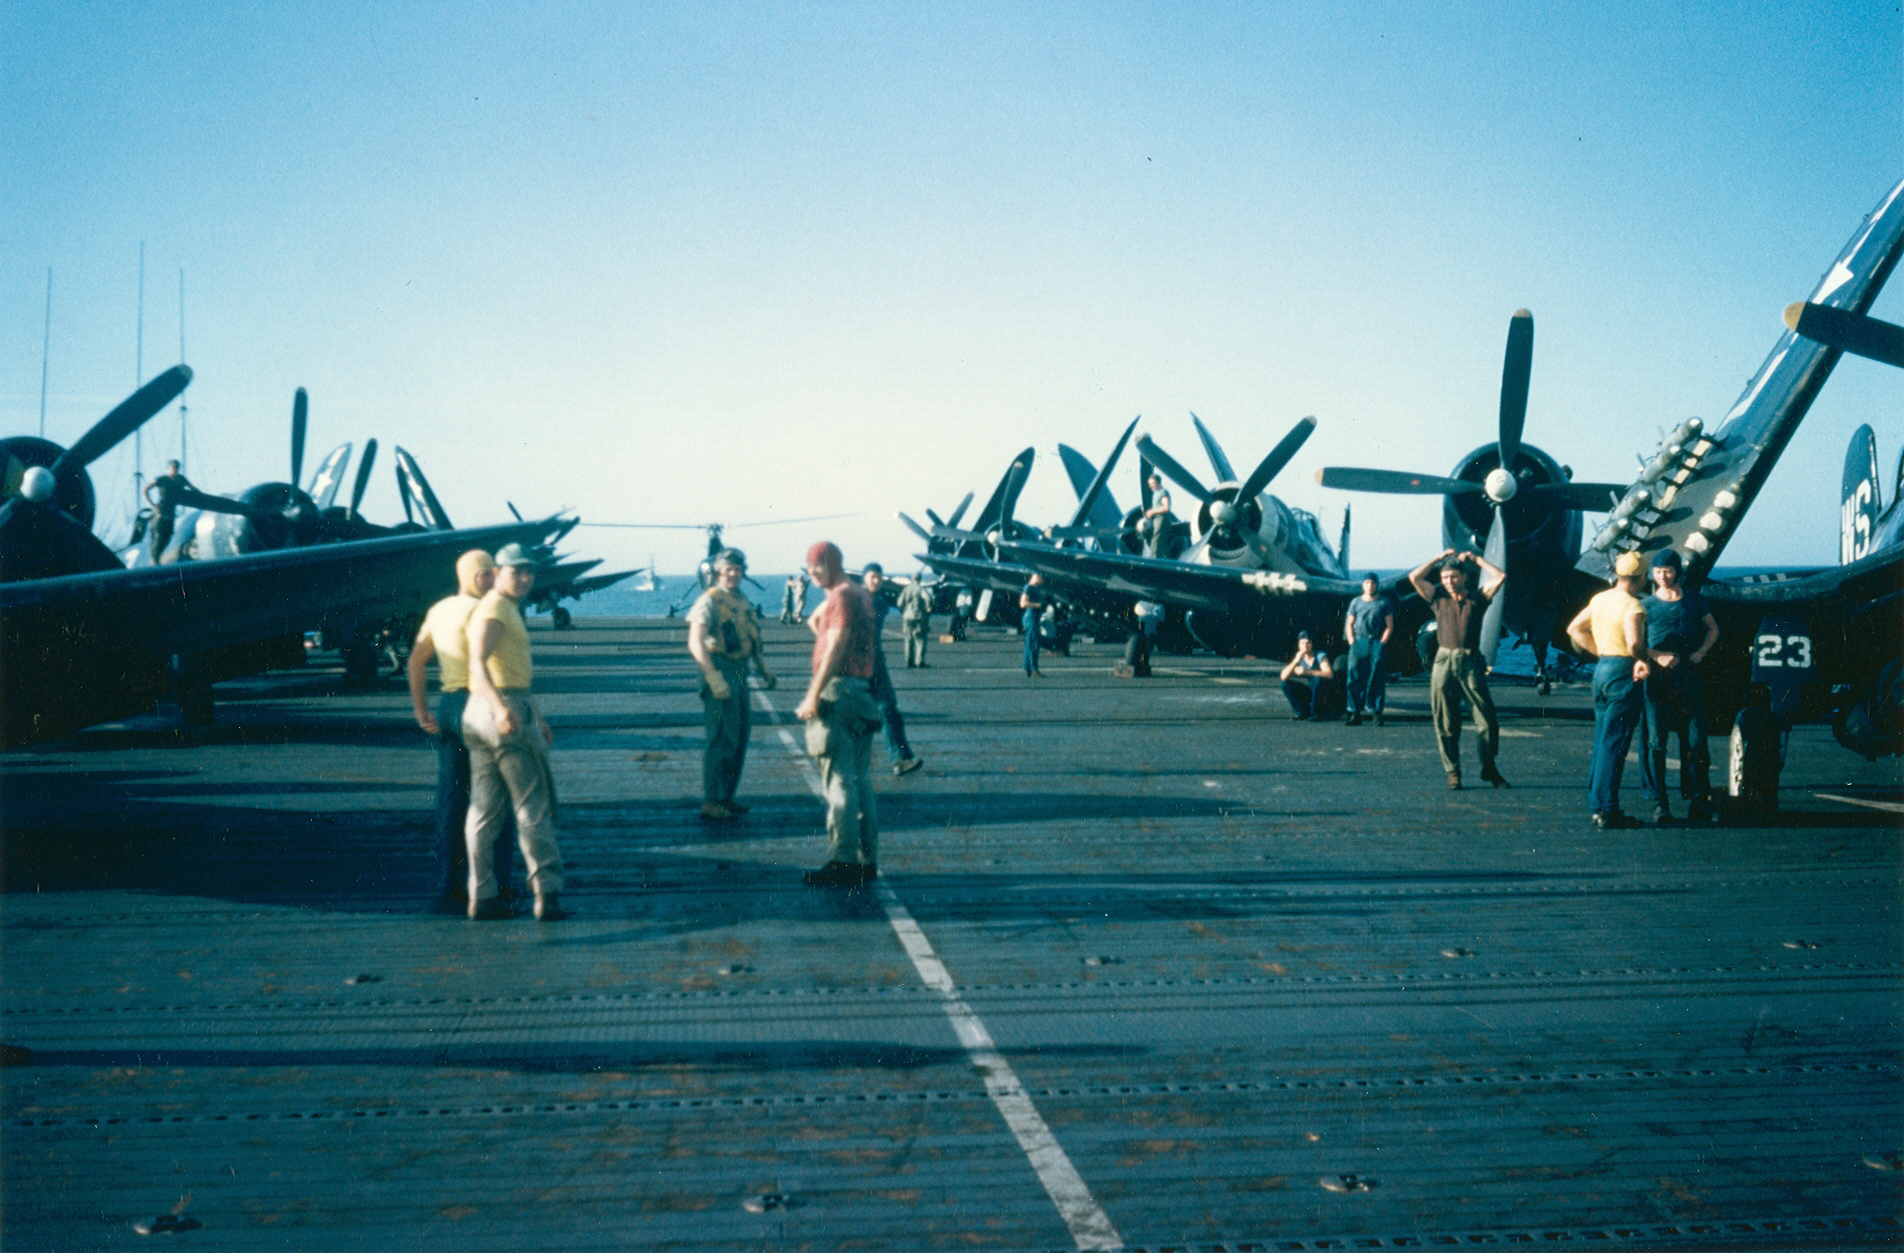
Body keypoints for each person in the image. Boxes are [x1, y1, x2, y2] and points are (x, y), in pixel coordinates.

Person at [408, 549, 517, 910]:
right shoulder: (487, 611)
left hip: (448, 706)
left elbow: (416, 660)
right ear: (471, 576)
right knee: (497, 796)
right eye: (485, 574)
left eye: (493, 573)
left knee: (452, 798)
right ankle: (497, 879)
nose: (491, 580)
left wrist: (421, 708)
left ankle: (448, 880)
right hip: (479, 704)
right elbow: (495, 667)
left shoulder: (438, 610)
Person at [463, 542, 568, 920]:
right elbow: (477, 662)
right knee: (533, 805)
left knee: (485, 810)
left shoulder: (504, 607)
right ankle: (547, 894)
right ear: (495, 574)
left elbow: (513, 671)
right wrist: (503, 710)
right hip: (499, 709)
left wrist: (537, 715)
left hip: (487, 711)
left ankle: (483, 895)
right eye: (515, 571)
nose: (524, 578)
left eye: (529, 572)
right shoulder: (494, 608)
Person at [795, 541, 881, 886]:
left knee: (840, 780)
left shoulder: (842, 597)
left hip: (838, 694)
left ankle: (844, 859)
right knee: (860, 778)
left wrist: (813, 695)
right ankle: (865, 859)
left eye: (817, 568)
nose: (812, 574)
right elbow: (816, 620)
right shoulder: (857, 593)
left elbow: (836, 645)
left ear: (831, 564)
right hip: (860, 692)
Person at [688, 548, 777, 821]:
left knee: (738, 739)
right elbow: (695, 642)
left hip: (740, 671)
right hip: (719, 669)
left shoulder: (740, 599)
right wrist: (713, 679)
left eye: (738, 569)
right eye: (729, 570)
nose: (734, 574)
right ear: (718, 573)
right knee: (720, 740)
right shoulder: (709, 601)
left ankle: (725, 797)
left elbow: (750, 637)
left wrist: (763, 668)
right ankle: (711, 800)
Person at [1408, 548, 1509, 790]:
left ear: (1463, 577)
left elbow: (1500, 577)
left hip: (1471, 661)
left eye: (1453, 577)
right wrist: (1437, 558)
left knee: (1486, 720)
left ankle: (1489, 767)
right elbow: (1415, 578)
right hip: (1443, 661)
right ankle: (1453, 771)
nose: (1449, 582)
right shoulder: (1437, 598)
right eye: (1444, 578)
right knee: (1445, 720)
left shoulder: (1478, 597)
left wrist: (1475, 559)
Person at [1566, 550, 1652, 830]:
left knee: (1603, 740)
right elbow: (1634, 644)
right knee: (1615, 744)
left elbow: (1575, 629)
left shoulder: (1600, 599)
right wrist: (1644, 659)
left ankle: (1597, 806)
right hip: (1623, 672)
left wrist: (1601, 652)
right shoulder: (1633, 606)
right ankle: (1608, 810)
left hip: (1602, 670)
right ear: (1641, 577)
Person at [1639, 548, 1718, 823]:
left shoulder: (1695, 601)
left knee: (1695, 741)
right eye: (1658, 571)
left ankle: (1697, 800)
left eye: (1668, 571)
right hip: (1657, 683)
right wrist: (1655, 656)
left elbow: (1713, 629)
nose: (1662, 576)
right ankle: (1660, 803)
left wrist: (1701, 653)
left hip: (1687, 678)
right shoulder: (1646, 605)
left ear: (1678, 573)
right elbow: (1635, 644)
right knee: (1657, 743)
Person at [861, 564, 924, 776]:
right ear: (864, 579)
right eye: (872, 577)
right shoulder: (854, 601)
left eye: (879, 577)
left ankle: (901, 759)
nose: (876, 581)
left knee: (890, 710)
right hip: (857, 663)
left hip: (876, 661)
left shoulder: (880, 603)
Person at [1343, 573, 1394, 726]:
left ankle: (1376, 711)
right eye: (1367, 583)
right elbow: (1349, 623)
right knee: (1354, 676)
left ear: (1377, 585)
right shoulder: (1356, 602)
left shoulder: (1384, 602)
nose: (1370, 586)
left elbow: (1389, 625)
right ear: (1362, 585)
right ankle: (1354, 712)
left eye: (1372, 583)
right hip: (1359, 640)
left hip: (1376, 641)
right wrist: (1352, 641)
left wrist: (1382, 642)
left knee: (1376, 676)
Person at [143, 460, 196, 559]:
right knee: (159, 538)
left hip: (171, 514)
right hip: (160, 513)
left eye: (177, 467)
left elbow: (193, 488)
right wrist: (152, 504)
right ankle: (155, 561)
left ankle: (160, 560)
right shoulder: (162, 479)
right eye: (173, 467)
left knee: (168, 538)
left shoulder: (180, 479)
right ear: (168, 468)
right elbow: (146, 489)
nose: (175, 469)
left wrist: (200, 496)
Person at [1278, 632, 1334, 720]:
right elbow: (1283, 677)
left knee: (1317, 680)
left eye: (1308, 643)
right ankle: (1302, 712)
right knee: (1285, 684)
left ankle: (1317, 713)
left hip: (1323, 692)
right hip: (1310, 690)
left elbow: (1329, 674)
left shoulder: (1320, 656)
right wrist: (1295, 661)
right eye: (1302, 643)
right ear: (1299, 645)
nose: (1305, 646)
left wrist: (1308, 672)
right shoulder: (1299, 658)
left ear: (1312, 644)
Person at [898, 573, 933, 668]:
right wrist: (927, 608)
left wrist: (904, 611)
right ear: (920, 579)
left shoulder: (906, 589)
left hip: (907, 617)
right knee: (920, 639)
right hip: (918, 617)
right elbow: (928, 599)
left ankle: (909, 661)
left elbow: (899, 603)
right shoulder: (921, 589)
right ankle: (919, 661)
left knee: (908, 639)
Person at [1019, 572, 1049, 677]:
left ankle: (1028, 667)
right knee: (1033, 643)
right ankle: (1033, 669)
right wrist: (1038, 605)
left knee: (1030, 642)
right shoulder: (1029, 588)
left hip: (1034, 617)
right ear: (1036, 576)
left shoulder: (1035, 588)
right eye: (1042, 578)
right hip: (1031, 617)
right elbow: (1023, 603)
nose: (1043, 581)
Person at [1139, 473, 1175, 557]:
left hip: (1161, 520)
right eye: (1150, 484)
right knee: (1156, 544)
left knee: (1156, 545)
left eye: (1152, 484)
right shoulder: (1156, 494)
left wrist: (1152, 512)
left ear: (1157, 483)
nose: (1150, 486)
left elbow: (1166, 508)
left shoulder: (1163, 492)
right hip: (1156, 521)